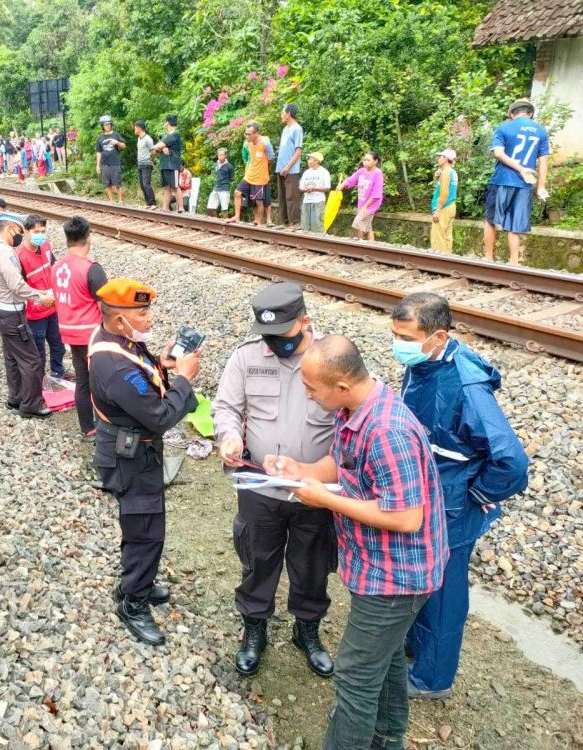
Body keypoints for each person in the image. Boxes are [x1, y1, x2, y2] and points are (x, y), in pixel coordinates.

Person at [266, 335, 447, 750]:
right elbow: (344, 464)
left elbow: (405, 516)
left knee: (355, 675)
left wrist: (324, 498)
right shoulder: (353, 410)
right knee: (383, 662)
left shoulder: (388, 431)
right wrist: (303, 470)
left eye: (312, 389)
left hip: (397, 576)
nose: (308, 396)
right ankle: (387, 739)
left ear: (342, 385)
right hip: (377, 566)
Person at [389, 293, 529, 701]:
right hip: (430, 494)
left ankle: (434, 678)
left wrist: (477, 492)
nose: (399, 344)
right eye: (395, 335)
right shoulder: (425, 364)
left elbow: (512, 462)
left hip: (453, 503)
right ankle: (418, 646)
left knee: (445, 593)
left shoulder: (467, 385)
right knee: (424, 582)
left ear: (439, 336)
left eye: (406, 337)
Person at [213, 283, 336, 678]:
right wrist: (228, 436)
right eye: (268, 335)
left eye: (283, 333)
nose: (275, 343)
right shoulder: (247, 357)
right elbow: (227, 407)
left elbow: (351, 418)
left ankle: (308, 630)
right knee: (257, 560)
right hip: (260, 485)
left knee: (312, 565)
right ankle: (254, 629)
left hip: (315, 491)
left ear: (305, 321)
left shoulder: (331, 360)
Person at [89, 278, 200, 645]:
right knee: (146, 530)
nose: (149, 318)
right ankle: (133, 603)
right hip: (131, 458)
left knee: (142, 525)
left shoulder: (116, 342)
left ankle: (136, 580)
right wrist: (184, 379)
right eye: (142, 312)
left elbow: (145, 382)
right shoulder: (115, 365)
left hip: (133, 451)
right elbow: (158, 415)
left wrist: (164, 366)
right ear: (119, 320)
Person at [0, 212, 56, 418]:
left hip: (0, 308)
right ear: (10, 229)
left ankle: (15, 398)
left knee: (12, 357)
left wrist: (40, 293)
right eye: (20, 232)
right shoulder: (6, 253)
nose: (20, 236)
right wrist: (40, 298)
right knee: (31, 360)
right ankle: (31, 404)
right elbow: (17, 286)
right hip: (13, 313)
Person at [52, 216, 107, 439]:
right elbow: (105, 307)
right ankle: (104, 426)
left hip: (70, 333)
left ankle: (88, 427)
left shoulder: (57, 266)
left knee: (83, 381)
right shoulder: (92, 269)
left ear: (67, 240)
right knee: (101, 382)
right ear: (89, 238)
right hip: (92, 335)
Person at [484, 99, 549, 266]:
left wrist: (519, 168)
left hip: (502, 181)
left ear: (512, 114)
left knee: (491, 220)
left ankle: (488, 258)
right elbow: (544, 161)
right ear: (531, 113)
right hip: (524, 185)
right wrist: (541, 186)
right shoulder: (541, 132)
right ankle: (513, 262)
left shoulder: (504, 127)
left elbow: (498, 153)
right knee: (515, 226)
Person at [17, 215, 69, 379]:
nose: (40, 234)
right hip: (35, 312)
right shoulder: (20, 256)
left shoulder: (46, 246)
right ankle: (39, 381)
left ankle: (57, 373)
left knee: (58, 345)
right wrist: (41, 297)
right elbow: (20, 287)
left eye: (43, 231)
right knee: (38, 350)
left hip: (53, 307)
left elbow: (53, 266)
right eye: (36, 231)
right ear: (26, 231)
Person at [231, 122, 274, 225]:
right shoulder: (247, 143)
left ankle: (259, 223)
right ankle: (237, 216)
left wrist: (264, 169)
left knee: (259, 202)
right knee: (237, 193)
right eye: (246, 134)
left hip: (260, 177)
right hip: (249, 175)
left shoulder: (265, 143)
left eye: (249, 134)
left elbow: (271, 158)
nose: (247, 136)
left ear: (256, 134)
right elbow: (247, 158)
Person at [336, 152, 383, 241]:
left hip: (371, 204)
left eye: (368, 160)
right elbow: (351, 180)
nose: (365, 162)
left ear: (375, 161)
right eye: (364, 160)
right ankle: (372, 247)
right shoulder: (361, 171)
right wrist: (342, 185)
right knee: (368, 228)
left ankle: (360, 245)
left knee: (358, 223)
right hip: (362, 202)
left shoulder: (377, 173)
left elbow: (376, 194)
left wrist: (365, 207)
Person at [276, 104, 304, 228]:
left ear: (288, 114)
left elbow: (298, 151)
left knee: (292, 197)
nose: (281, 115)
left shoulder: (297, 129)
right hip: (280, 168)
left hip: (291, 169)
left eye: (283, 113)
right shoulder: (285, 129)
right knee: (282, 197)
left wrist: (287, 167)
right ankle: (285, 222)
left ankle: (294, 223)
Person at [150, 115, 183, 212]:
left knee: (175, 186)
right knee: (167, 187)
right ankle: (165, 208)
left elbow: (160, 145)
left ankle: (181, 208)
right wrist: (157, 149)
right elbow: (158, 148)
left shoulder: (175, 134)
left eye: (165, 122)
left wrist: (154, 147)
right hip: (165, 165)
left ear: (168, 123)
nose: (164, 124)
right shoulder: (165, 136)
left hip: (172, 164)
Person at [429, 149, 458, 253]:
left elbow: (444, 193)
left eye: (441, 156)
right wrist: (437, 177)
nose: (439, 159)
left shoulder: (445, 173)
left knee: (438, 236)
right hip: (451, 206)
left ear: (446, 159)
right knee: (447, 236)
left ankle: (438, 261)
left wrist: (437, 210)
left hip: (444, 207)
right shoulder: (453, 172)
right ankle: (448, 259)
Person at [95, 115, 126, 204]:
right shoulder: (100, 138)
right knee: (107, 184)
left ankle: (120, 200)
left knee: (118, 183)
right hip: (104, 164)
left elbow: (124, 145)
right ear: (102, 126)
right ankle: (111, 201)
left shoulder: (116, 134)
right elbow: (98, 152)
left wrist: (117, 142)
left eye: (109, 124)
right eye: (105, 125)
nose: (108, 126)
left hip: (115, 163)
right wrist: (98, 165)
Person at [299, 152, 331, 234]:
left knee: (317, 224)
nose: (308, 160)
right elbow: (301, 187)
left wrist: (314, 189)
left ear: (316, 161)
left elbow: (327, 187)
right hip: (306, 200)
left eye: (310, 159)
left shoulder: (324, 172)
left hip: (318, 201)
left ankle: (318, 241)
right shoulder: (306, 172)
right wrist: (305, 189)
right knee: (305, 224)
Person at [134, 120, 156, 209]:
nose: (134, 130)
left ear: (139, 128)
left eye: (135, 128)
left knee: (146, 184)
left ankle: (153, 203)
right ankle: (148, 203)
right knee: (142, 185)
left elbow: (153, 151)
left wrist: (150, 159)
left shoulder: (148, 139)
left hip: (147, 164)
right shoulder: (139, 139)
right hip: (140, 164)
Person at [206, 148, 234, 219]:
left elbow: (232, 178)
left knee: (224, 209)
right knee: (211, 207)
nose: (220, 156)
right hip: (216, 188)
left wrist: (226, 183)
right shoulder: (216, 164)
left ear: (225, 155)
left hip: (224, 189)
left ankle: (225, 224)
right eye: (219, 155)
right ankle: (217, 222)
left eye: (222, 155)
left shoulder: (229, 166)